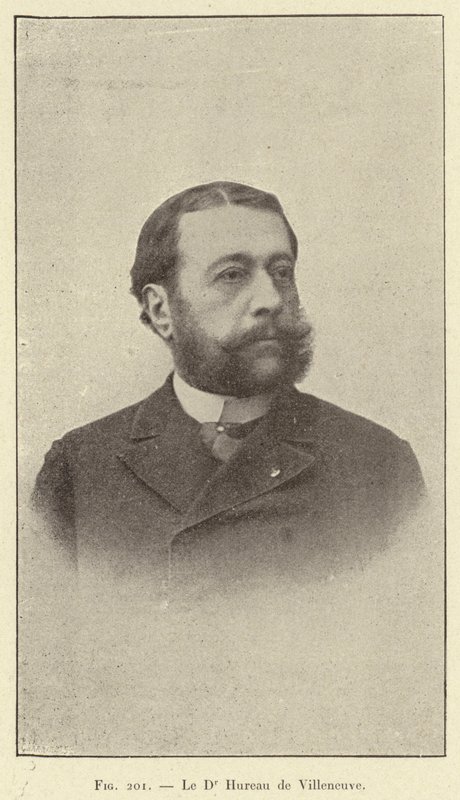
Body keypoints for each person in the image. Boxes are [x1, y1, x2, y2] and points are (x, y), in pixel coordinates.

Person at [25, 182, 438, 756]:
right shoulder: (79, 467)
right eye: (232, 275)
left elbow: (413, 690)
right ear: (161, 310)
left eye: (281, 271)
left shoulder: (377, 463)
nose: (270, 298)